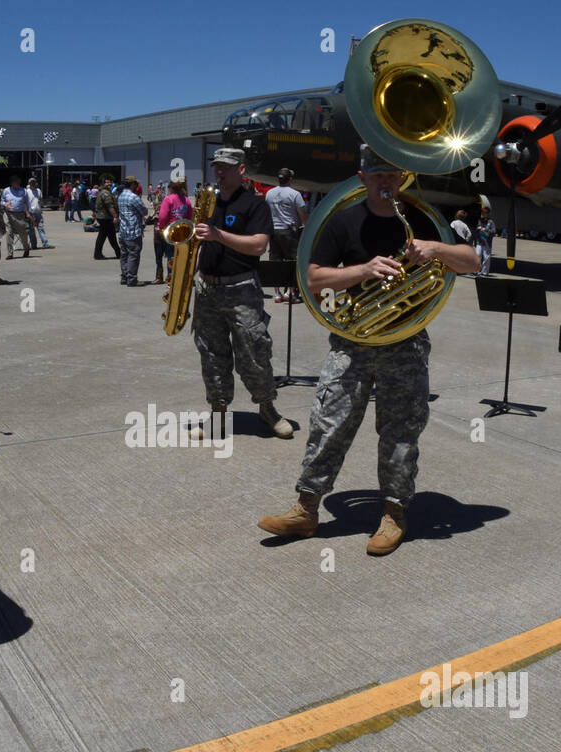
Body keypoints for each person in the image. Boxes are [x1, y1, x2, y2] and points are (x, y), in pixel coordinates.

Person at [257, 146, 480, 554]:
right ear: (362, 178)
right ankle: (306, 509)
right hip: (353, 341)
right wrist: (362, 270)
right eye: (377, 174)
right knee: (328, 424)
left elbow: (472, 261)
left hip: (405, 343)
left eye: (393, 175)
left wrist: (436, 250)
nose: (386, 182)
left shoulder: (420, 219)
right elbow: (313, 278)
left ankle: (394, 514)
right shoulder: (344, 221)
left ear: (403, 178)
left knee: (400, 434)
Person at [187, 148, 292, 441]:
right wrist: (184, 274)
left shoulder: (254, 205)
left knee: (254, 352)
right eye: (217, 167)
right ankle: (218, 411)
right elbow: (199, 245)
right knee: (211, 354)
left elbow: (259, 245)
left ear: (241, 170)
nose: (219, 172)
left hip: (241, 289)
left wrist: (219, 235)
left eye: (226, 168)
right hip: (207, 289)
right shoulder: (205, 204)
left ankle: (267, 408)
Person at [265, 167, 307, 302]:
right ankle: (289, 293)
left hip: (274, 230)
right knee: (292, 262)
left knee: (275, 261)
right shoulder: (295, 194)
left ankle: (277, 293)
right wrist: (305, 226)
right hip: (289, 231)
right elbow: (302, 215)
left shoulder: (269, 193)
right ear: (290, 179)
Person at [154, 178, 191, 285]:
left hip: (169, 231)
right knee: (178, 255)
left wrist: (161, 227)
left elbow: (162, 216)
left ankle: (168, 277)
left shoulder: (168, 199)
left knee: (167, 255)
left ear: (171, 188)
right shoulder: (186, 200)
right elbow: (189, 217)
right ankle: (177, 276)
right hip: (182, 231)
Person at [116, 176, 148, 285]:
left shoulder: (120, 196)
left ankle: (124, 276)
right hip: (133, 230)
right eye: (136, 184)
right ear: (132, 184)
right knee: (133, 255)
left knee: (124, 255)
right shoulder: (133, 197)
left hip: (122, 230)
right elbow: (144, 211)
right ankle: (132, 278)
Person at [1, 173, 32, 259]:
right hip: (8, 214)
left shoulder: (24, 191)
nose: (18, 183)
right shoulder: (6, 191)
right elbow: (1, 201)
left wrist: (28, 213)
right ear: (12, 183)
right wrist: (5, 204)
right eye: (16, 182)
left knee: (23, 233)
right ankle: (10, 253)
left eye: (19, 182)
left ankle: (26, 248)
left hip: (20, 215)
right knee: (9, 232)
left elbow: (27, 203)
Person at [93, 174, 120, 259]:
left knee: (106, 236)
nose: (109, 183)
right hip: (105, 217)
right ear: (103, 183)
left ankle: (118, 253)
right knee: (108, 237)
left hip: (104, 217)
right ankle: (118, 254)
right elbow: (110, 206)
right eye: (107, 182)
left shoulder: (105, 191)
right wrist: (115, 216)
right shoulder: (105, 193)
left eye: (110, 182)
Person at [26, 177, 53, 249]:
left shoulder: (38, 190)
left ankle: (45, 243)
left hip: (38, 212)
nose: (33, 183)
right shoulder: (27, 191)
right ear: (29, 183)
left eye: (34, 182)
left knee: (40, 228)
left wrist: (39, 204)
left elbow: (40, 199)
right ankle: (34, 245)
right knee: (31, 230)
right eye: (31, 182)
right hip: (31, 212)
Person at [474, 207, 496, 275]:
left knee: (486, 257)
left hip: (487, 242)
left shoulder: (491, 222)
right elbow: (476, 229)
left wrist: (485, 230)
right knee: (477, 255)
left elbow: (493, 231)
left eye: (485, 213)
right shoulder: (480, 220)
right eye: (482, 212)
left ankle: (485, 272)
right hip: (479, 241)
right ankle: (475, 270)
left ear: (488, 213)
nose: (483, 214)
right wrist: (478, 228)